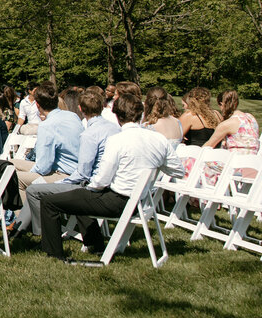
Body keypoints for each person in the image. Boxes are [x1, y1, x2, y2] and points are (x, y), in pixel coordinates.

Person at [39, 93, 182, 262]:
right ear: (140, 114)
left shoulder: (117, 140)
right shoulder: (158, 139)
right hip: (141, 201)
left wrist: (88, 188)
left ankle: (54, 254)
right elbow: (178, 171)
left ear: (117, 115)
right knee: (80, 196)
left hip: (118, 201)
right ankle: (95, 244)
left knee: (50, 202)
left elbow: (101, 181)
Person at [16, 87, 119, 239]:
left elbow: (83, 173)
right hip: (109, 182)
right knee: (13, 168)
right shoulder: (113, 128)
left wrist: (62, 181)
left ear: (80, 108)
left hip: (90, 185)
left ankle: (38, 231)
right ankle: (19, 225)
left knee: (30, 187)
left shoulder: (89, 134)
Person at [12, 82, 83, 208]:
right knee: (12, 164)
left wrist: (31, 171)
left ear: (37, 105)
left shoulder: (46, 126)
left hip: (64, 175)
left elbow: (43, 167)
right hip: (77, 170)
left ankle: (24, 223)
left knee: (15, 179)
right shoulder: (72, 116)